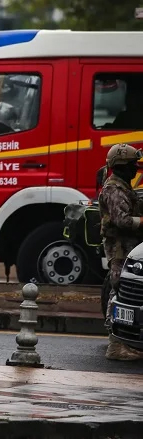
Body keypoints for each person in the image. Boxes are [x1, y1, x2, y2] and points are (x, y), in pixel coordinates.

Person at [98, 143, 143, 361]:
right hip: (119, 246)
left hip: (128, 245)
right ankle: (115, 345)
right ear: (121, 166)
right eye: (132, 164)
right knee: (118, 288)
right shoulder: (114, 189)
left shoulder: (123, 186)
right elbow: (122, 220)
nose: (136, 168)